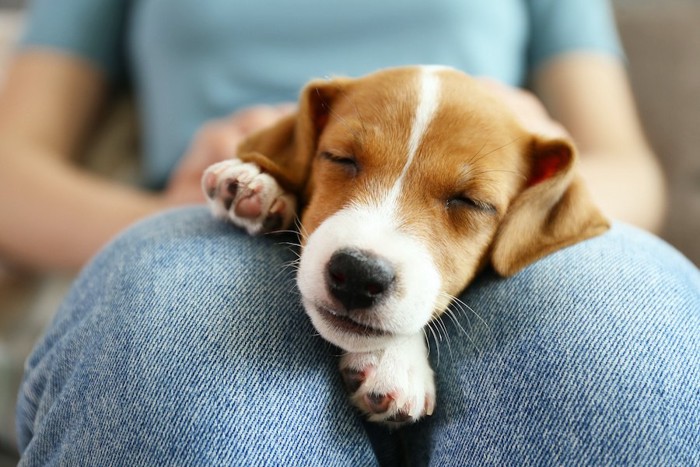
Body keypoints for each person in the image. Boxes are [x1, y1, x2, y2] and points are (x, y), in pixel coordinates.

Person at [2, 0, 698, 464]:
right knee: (178, 379)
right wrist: (174, 209)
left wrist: (526, 173)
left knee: (621, 354)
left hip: (507, 232)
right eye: (338, 156)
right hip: (213, 218)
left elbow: (630, 170)